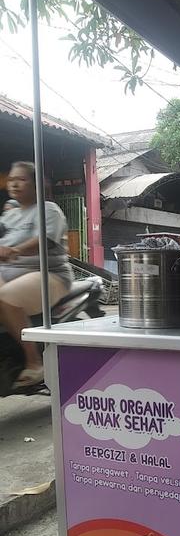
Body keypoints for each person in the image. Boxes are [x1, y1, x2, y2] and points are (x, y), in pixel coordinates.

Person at [0, 162, 73, 387]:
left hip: (48, 273)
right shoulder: (8, 217)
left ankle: (35, 362)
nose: (14, 183)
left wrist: (15, 250)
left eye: (22, 179)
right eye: (12, 178)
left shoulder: (48, 209)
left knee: (5, 297)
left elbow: (45, 240)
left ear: (36, 184)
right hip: (9, 272)